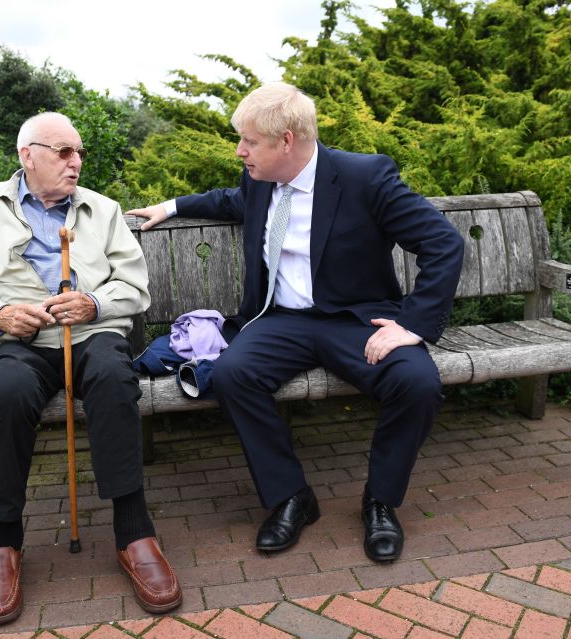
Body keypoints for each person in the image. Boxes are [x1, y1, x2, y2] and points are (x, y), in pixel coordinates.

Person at [128, 83, 464, 563]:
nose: (240, 151)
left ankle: (381, 502)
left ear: (286, 141)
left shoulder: (365, 177)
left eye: (249, 142)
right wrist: (174, 206)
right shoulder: (261, 180)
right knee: (231, 374)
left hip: (355, 319)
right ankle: (290, 497)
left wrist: (413, 324)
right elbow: (230, 201)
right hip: (279, 321)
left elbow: (444, 244)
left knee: (417, 382)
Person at [0, 112, 181, 625]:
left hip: (93, 334)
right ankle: (0, 544)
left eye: (78, 153)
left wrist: (94, 304)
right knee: (4, 394)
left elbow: (134, 286)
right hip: (21, 340)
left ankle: (134, 532)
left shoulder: (103, 210)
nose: (76, 163)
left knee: (116, 380)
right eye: (63, 152)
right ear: (27, 154)